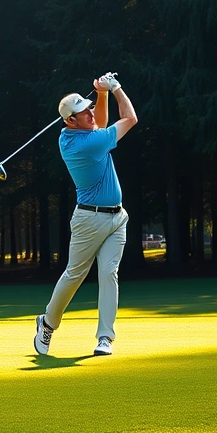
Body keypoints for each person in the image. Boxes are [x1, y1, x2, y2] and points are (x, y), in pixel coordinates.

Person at [34, 72, 137, 356]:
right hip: (89, 220)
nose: (89, 114)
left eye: (88, 107)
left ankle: (105, 338)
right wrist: (115, 88)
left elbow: (99, 123)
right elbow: (129, 119)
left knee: (108, 274)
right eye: (82, 112)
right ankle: (48, 322)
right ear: (70, 121)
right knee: (74, 274)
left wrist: (100, 94)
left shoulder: (73, 135)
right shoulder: (85, 145)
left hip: (117, 218)